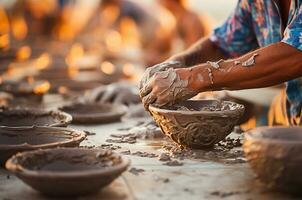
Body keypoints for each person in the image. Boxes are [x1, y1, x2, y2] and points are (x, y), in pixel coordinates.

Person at [139, 0, 302, 126]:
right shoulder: (255, 2)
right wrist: (177, 63)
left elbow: (295, 55)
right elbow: (222, 44)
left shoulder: (192, 19)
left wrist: (193, 79)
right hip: (292, 122)